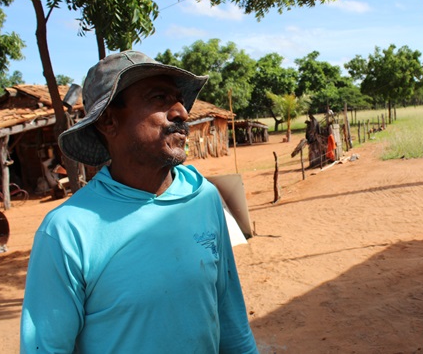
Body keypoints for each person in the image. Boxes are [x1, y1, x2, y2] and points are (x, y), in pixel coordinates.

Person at [20, 51, 258, 353]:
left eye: (178, 100)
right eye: (159, 98)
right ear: (108, 121)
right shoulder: (68, 230)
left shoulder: (204, 197)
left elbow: (230, 314)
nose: (181, 113)